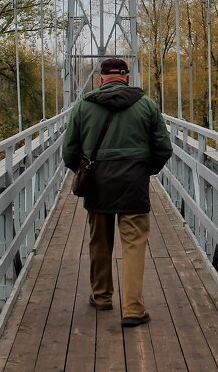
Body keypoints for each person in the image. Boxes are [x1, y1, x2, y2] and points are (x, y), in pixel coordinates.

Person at [61, 57, 172, 327]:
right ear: (126, 77)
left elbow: (69, 152)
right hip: (134, 183)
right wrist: (145, 170)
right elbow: (163, 148)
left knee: (99, 242)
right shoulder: (146, 106)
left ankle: (101, 296)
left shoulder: (83, 107)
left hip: (98, 183)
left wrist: (82, 169)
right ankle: (133, 308)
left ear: (101, 78)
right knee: (134, 244)